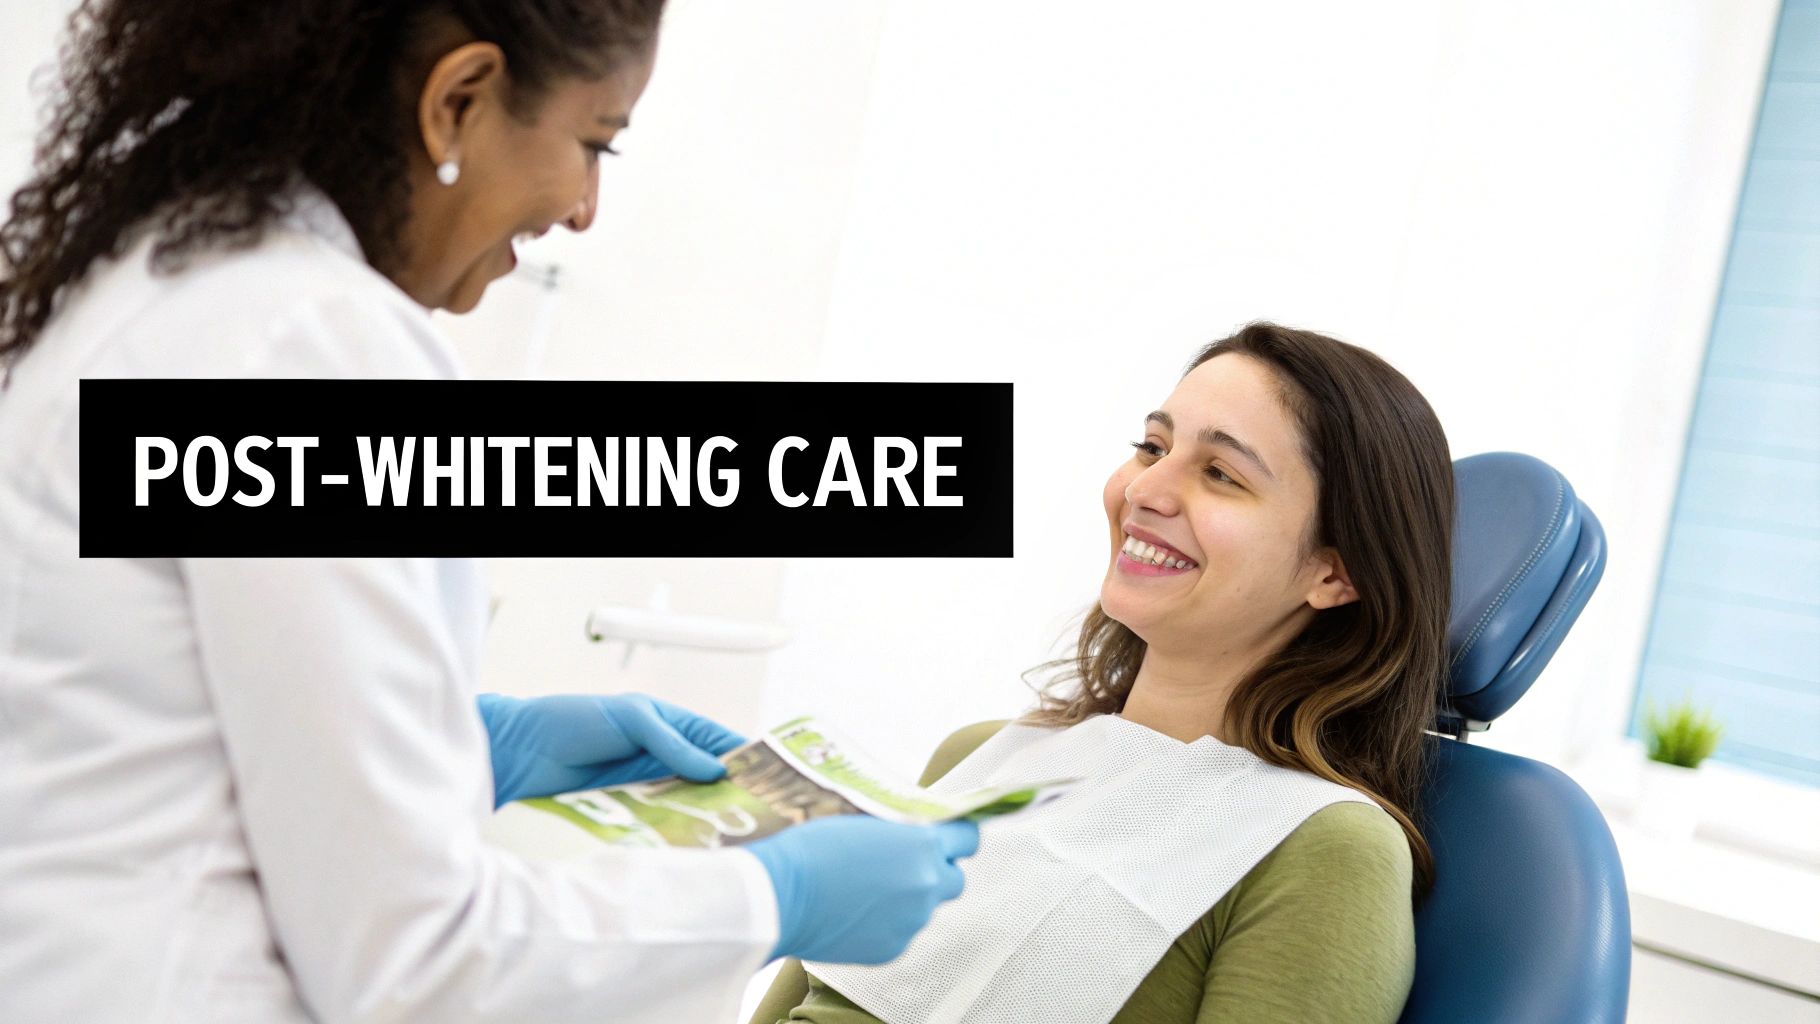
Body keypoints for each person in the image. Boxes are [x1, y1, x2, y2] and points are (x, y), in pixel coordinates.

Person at [0, 2, 976, 1021]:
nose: (587, 207)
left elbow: (158, 706)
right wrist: (775, 896)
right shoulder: (316, 348)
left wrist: (466, 740)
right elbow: (416, 965)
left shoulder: (175, 285)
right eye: (593, 142)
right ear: (456, 101)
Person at [751, 322, 1455, 1023]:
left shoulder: (1328, 849)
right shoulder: (980, 757)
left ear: (1336, 571)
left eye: (1220, 474)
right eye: (1152, 446)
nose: (1146, 489)